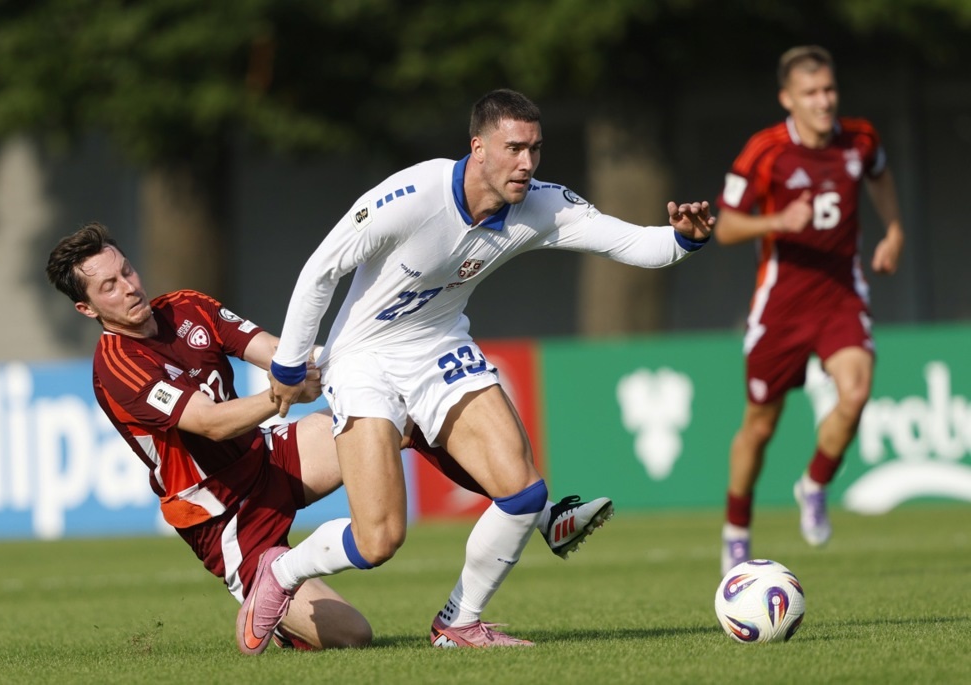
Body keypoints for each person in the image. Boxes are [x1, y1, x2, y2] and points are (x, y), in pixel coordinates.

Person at [264, 88, 714, 649]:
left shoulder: (542, 205)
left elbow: (633, 244)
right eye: (513, 148)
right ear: (478, 148)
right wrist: (289, 363)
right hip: (363, 359)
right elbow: (320, 270)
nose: (527, 163)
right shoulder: (412, 196)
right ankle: (280, 573)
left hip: (438, 347)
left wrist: (683, 239)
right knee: (379, 539)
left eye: (535, 149)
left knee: (522, 491)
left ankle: (459, 622)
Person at [45, 222, 613, 654]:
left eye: (127, 271)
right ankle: (276, 605)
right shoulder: (116, 367)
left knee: (401, 416)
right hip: (224, 516)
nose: (129, 287)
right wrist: (282, 394)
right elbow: (212, 423)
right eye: (109, 286)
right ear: (86, 308)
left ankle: (543, 516)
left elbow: (278, 352)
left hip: (269, 457)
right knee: (353, 636)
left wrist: (349, 362)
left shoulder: (187, 307)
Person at [714, 46, 904, 575]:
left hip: (841, 294)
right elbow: (726, 226)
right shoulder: (766, 151)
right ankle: (736, 529)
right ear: (787, 99)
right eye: (811, 93)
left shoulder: (859, 139)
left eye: (829, 90)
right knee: (759, 427)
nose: (824, 102)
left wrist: (894, 231)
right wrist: (776, 221)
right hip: (781, 305)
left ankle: (815, 483)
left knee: (856, 392)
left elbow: (880, 176)